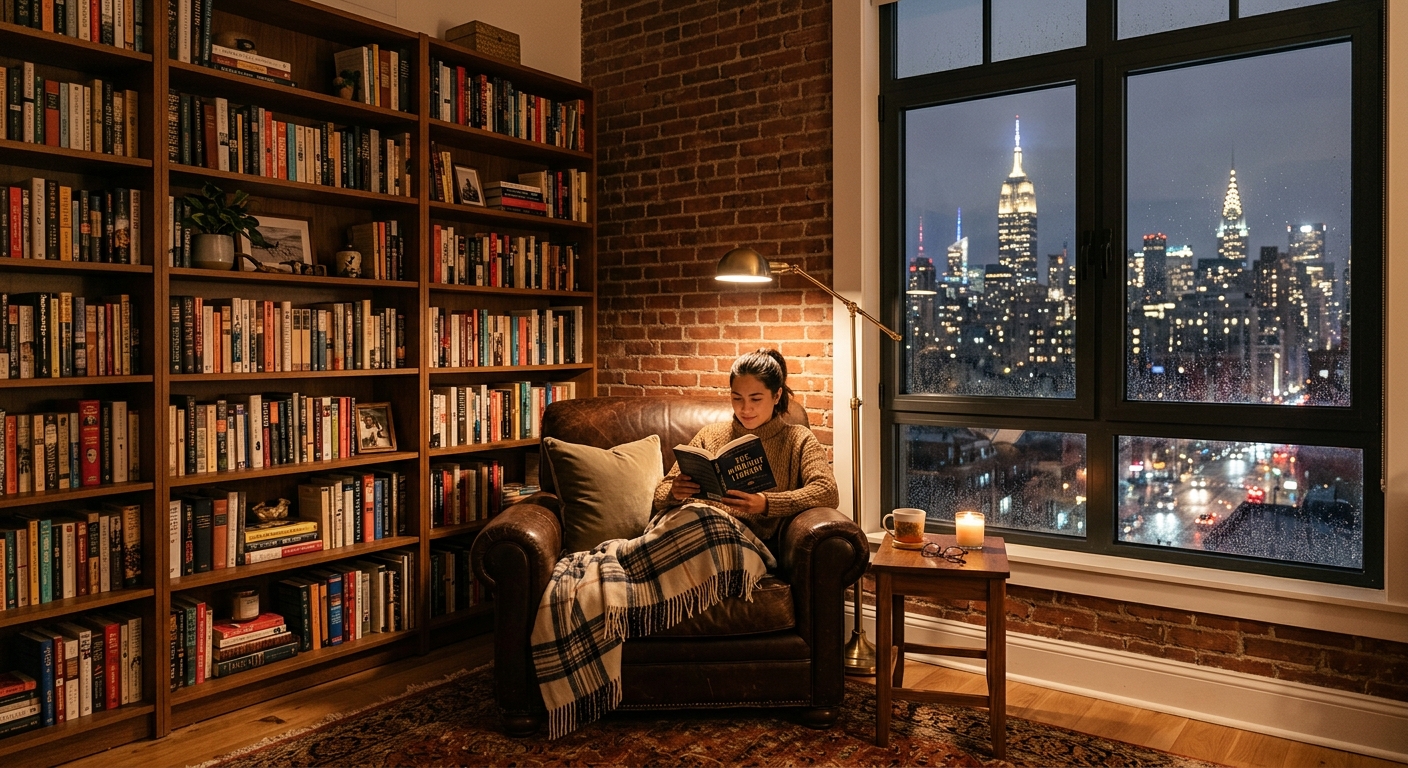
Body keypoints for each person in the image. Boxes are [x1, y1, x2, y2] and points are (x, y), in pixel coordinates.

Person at [653, 348, 839, 545]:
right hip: (687, 527)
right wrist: (675, 491)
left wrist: (766, 503)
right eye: (737, 398)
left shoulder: (798, 440)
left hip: (737, 541)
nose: (745, 408)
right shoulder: (710, 434)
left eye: (756, 399)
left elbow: (827, 491)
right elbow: (660, 495)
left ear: (776, 396)